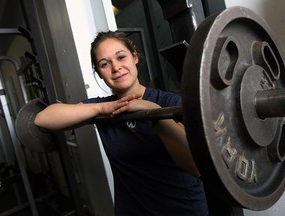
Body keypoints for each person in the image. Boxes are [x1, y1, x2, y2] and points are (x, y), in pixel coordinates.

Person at [34, 30, 209, 216]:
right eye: (104, 64)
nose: (115, 67)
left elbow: (195, 166)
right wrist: (102, 109)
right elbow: (43, 119)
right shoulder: (104, 108)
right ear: (99, 73)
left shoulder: (168, 102)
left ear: (134, 57)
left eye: (121, 57)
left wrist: (152, 111)